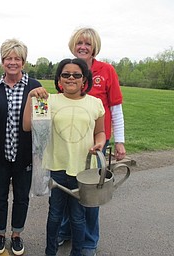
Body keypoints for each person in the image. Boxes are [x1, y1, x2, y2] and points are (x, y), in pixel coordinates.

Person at [23, 58, 106, 256]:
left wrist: (100, 143)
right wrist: (30, 98)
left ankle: (77, 252)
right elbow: (27, 126)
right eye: (65, 74)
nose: (71, 78)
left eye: (76, 75)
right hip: (57, 167)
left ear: (84, 79)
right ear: (59, 78)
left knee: (78, 217)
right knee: (54, 216)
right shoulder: (48, 100)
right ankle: (50, 252)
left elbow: (100, 132)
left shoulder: (95, 103)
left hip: (83, 170)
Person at [57, 27, 127, 256]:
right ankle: (66, 231)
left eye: (88, 43)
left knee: (90, 193)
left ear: (94, 47)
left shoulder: (106, 71)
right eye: (79, 43)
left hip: (96, 143)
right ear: (73, 45)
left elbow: (115, 108)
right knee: (69, 189)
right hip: (68, 142)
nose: (83, 47)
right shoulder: (69, 69)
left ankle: (88, 241)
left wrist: (119, 141)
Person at [0, 38, 42, 256]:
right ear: (2, 61)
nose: (13, 62)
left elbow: (42, 121)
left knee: (21, 197)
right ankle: (0, 233)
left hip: (24, 156)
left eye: (17, 58)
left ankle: (16, 235)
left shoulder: (35, 87)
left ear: (23, 62)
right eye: (8, 58)